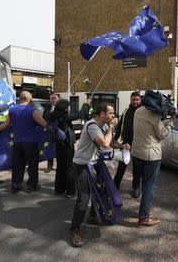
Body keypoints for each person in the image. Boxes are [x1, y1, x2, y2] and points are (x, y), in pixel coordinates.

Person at [70, 102, 130, 247]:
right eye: (111, 113)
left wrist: (122, 146)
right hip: (82, 164)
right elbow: (104, 143)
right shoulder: (92, 126)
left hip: (94, 163)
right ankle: (75, 229)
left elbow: (111, 143)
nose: (113, 116)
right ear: (102, 114)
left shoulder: (103, 125)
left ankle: (91, 216)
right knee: (84, 197)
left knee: (99, 191)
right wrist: (111, 127)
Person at [0, 91, 47, 193]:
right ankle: (32, 185)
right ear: (29, 99)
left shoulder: (12, 110)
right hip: (31, 142)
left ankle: (16, 185)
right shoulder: (32, 110)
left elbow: (5, 124)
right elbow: (43, 124)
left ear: (20, 98)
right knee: (32, 164)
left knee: (17, 165)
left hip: (17, 142)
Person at [131, 105, 175, 227]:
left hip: (136, 153)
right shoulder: (155, 116)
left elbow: (148, 127)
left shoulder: (138, 111)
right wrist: (171, 121)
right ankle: (144, 217)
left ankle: (141, 207)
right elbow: (162, 134)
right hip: (151, 155)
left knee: (141, 182)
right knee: (148, 186)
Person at [49, 98, 91, 197]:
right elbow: (79, 115)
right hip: (66, 144)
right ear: (64, 108)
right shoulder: (62, 115)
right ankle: (70, 191)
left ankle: (59, 190)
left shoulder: (53, 114)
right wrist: (85, 105)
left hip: (58, 143)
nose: (68, 109)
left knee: (60, 166)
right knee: (69, 167)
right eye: (67, 107)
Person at [113, 91, 142, 198]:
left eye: (137, 100)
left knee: (137, 168)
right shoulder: (126, 111)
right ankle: (115, 184)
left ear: (140, 100)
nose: (135, 101)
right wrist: (115, 139)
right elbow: (121, 125)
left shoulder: (142, 112)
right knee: (122, 165)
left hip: (138, 144)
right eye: (133, 99)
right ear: (130, 99)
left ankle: (136, 188)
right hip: (126, 143)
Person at [43, 93, 59, 173]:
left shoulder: (61, 108)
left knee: (59, 149)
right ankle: (49, 166)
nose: (53, 100)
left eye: (55, 98)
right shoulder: (47, 108)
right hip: (49, 132)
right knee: (49, 149)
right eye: (52, 99)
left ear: (58, 99)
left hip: (58, 132)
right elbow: (45, 117)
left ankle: (59, 167)